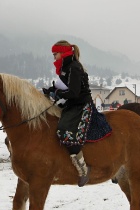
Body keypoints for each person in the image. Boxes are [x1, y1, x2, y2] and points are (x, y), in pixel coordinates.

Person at [43, 40, 111, 187]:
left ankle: (83, 169)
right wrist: (51, 90)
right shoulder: (65, 68)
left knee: (65, 132)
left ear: (63, 53)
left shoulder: (74, 67)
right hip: (71, 104)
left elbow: (73, 92)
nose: (54, 57)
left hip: (80, 105)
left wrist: (56, 93)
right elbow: (63, 87)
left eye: (55, 54)